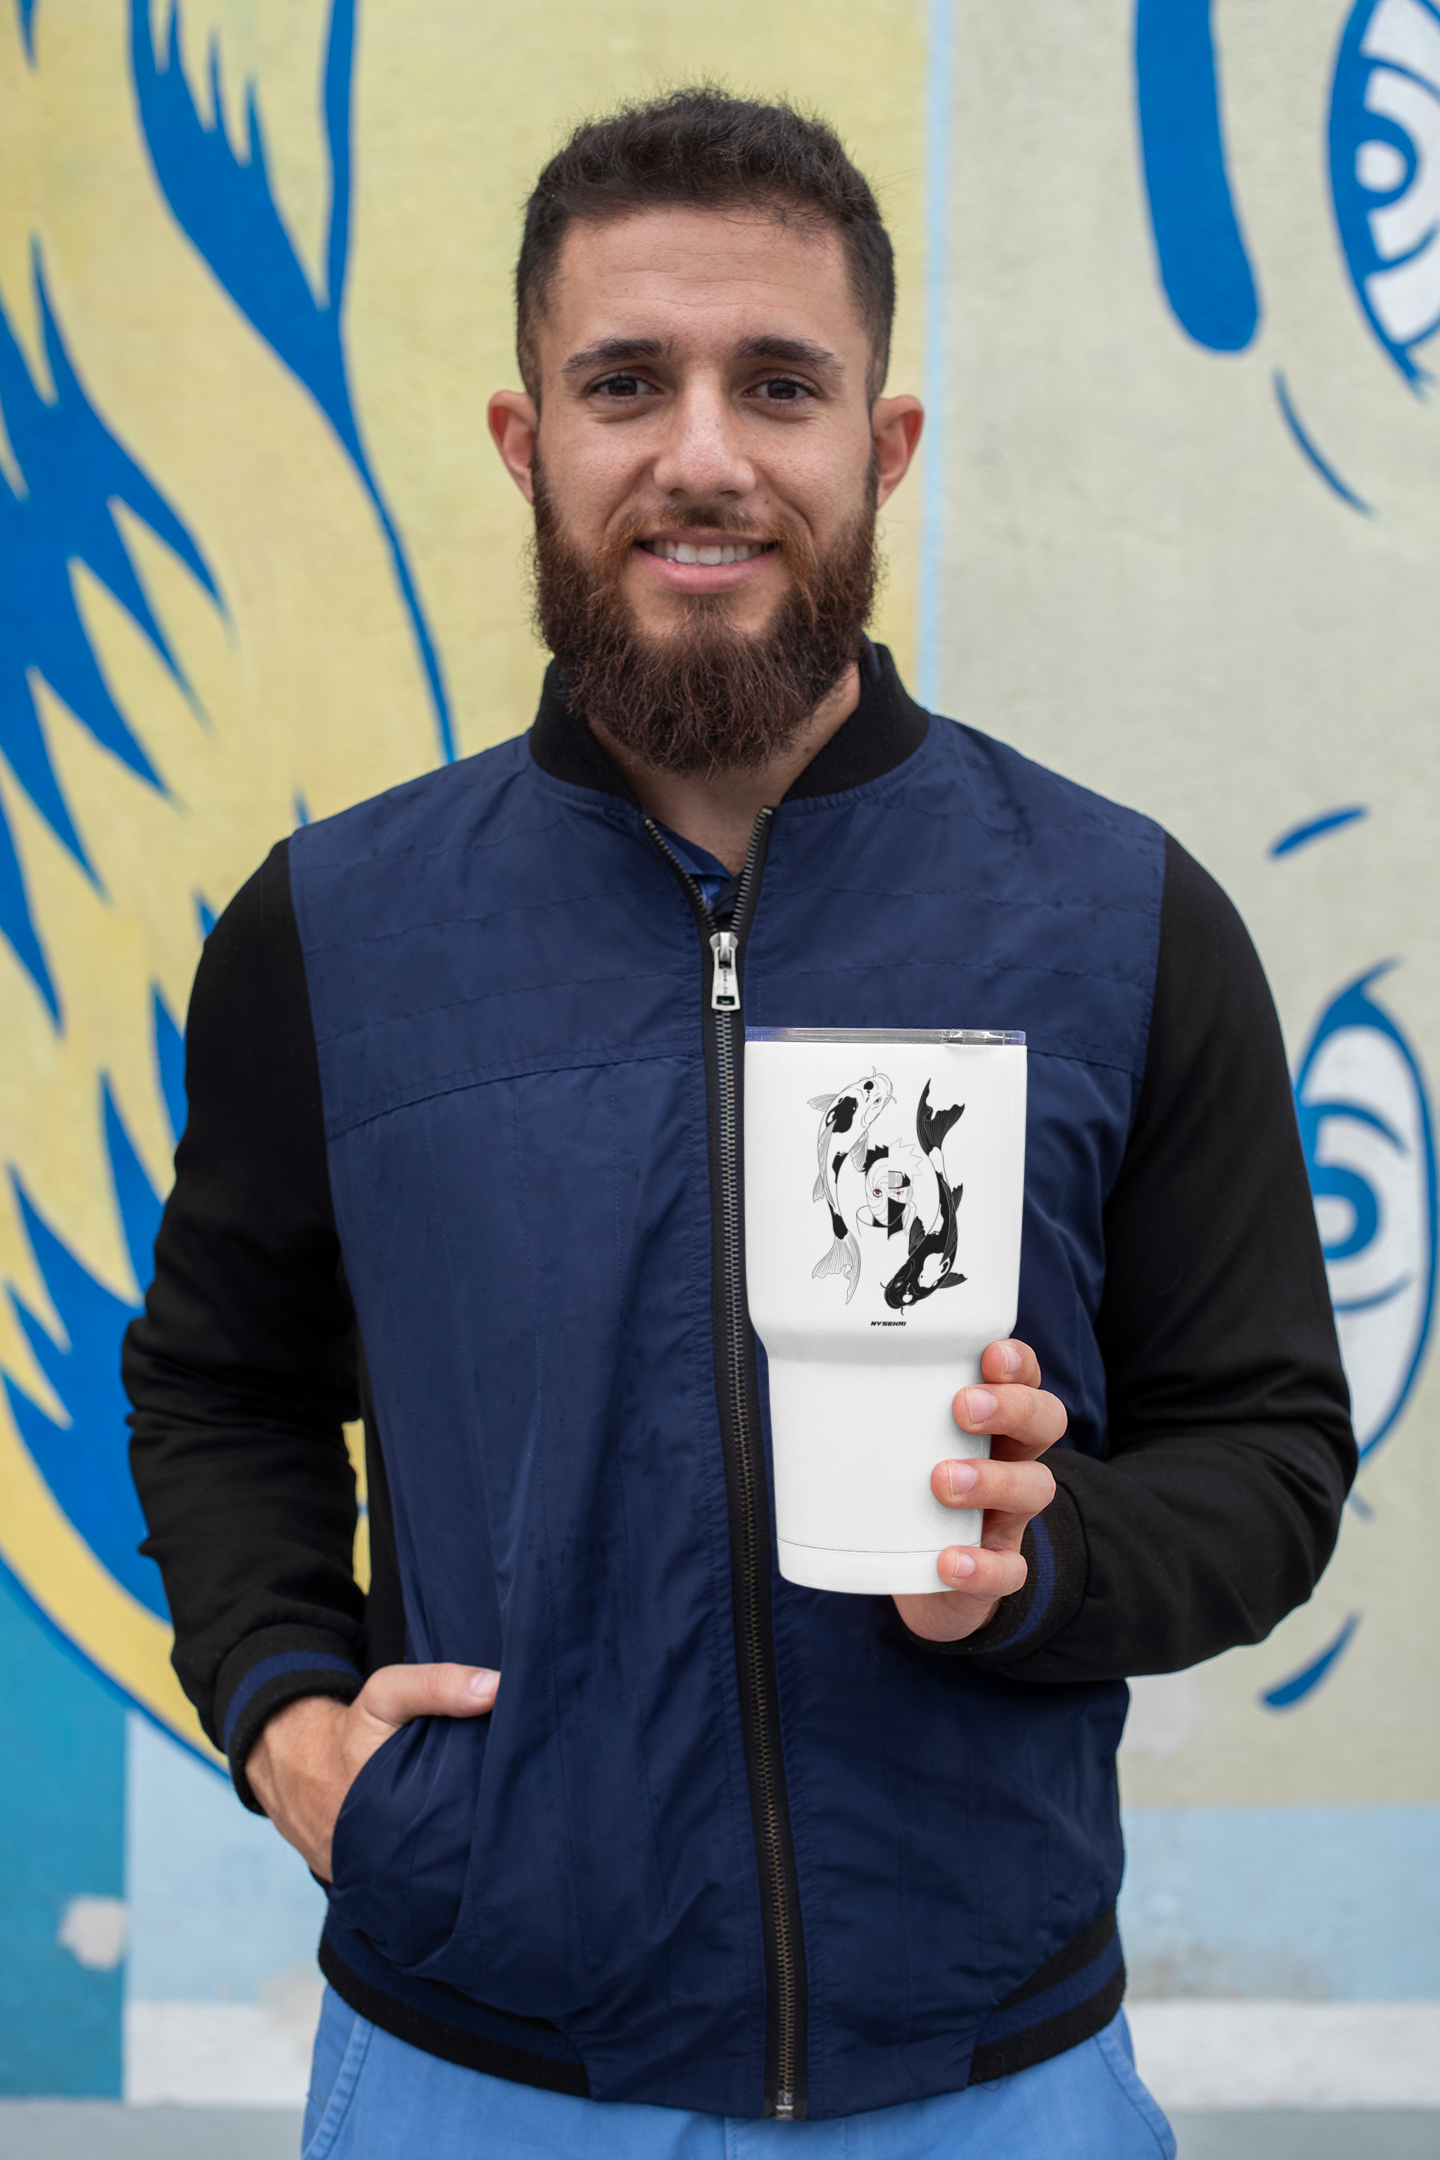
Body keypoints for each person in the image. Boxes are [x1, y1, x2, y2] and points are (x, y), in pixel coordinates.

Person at [125, 88, 1354, 2159]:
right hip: (474, 2076)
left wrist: (1051, 1565)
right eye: (627, 384)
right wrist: (284, 1712)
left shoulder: (1119, 917)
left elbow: (1270, 1451)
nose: (702, 454)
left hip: (994, 2085)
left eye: (777, 384)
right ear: (530, 445)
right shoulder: (332, 935)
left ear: (880, 450)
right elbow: (216, 1385)